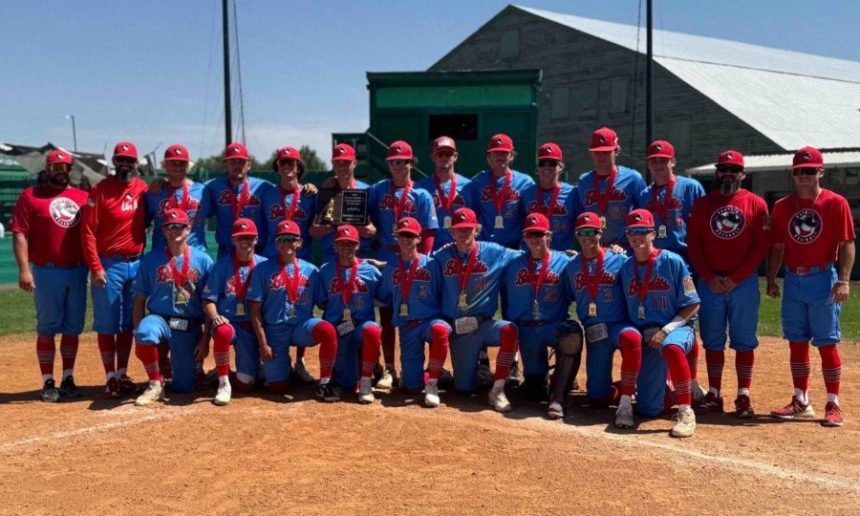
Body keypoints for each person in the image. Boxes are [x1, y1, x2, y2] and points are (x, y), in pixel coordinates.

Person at [767, 146, 855, 427]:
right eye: (799, 171)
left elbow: (847, 243)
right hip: (793, 279)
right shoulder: (782, 206)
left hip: (822, 278)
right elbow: (778, 246)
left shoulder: (835, 202)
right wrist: (771, 278)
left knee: (827, 343)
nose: (804, 176)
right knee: (796, 342)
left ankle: (833, 403)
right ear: (793, 175)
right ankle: (801, 400)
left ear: (820, 172)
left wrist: (843, 280)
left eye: (809, 171)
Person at [688, 150, 769, 418]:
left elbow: (760, 247)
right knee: (712, 340)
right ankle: (714, 392)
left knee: (744, 340)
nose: (728, 174)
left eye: (734, 169)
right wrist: (708, 276)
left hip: (742, 283)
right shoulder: (703, 205)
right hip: (709, 281)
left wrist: (736, 277)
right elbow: (695, 245)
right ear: (716, 172)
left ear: (743, 174)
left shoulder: (756, 203)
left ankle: (743, 395)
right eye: (724, 169)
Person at [11, 149, 88, 401]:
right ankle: (47, 381)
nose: (61, 173)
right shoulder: (31, 197)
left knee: (72, 329)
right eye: (56, 168)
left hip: (77, 270)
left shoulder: (81, 197)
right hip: (47, 270)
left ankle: (67, 377)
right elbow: (19, 233)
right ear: (47, 170)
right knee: (47, 328)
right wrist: (24, 269)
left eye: (65, 168)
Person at [619, 209, 701, 437]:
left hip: (675, 328)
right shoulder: (626, 268)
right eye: (632, 231)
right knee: (648, 409)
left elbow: (693, 304)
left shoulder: (673, 261)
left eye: (642, 231)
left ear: (653, 233)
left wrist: (666, 330)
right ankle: (672, 389)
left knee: (672, 347)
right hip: (646, 337)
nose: (637, 236)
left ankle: (686, 411)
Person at [433, 207, 521, 412]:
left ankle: (498, 389)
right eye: (459, 229)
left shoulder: (494, 251)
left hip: (484, 324)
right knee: (464, 388)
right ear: (452, 232)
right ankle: (473, 372)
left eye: (468, 229)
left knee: (509, 330)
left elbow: (528, 254)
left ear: (477, 229)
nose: (464, 234)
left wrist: (561, 256)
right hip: (458, 330)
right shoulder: (441, 255)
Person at [80, 141, 149, 398]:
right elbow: (87, 232)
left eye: (129, 160)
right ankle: (110, 377)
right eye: (120, 159)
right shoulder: (100, 190)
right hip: (109, 264)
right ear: (114, 161)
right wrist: (96, 267)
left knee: (129, 324)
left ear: (136, 163)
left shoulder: (142, 189)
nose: (124, 164)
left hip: (136, 262)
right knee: (108, 323)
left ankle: (122, 373)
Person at [369, 140, 438, 390]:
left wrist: (423, 261)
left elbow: (429, 232)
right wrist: (331, 184)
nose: (399, 166)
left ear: (412, 163)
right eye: (394, 162)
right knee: (387, 315)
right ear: (388, 164)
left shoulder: (421, 194)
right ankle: (389, 368)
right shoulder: (378, 189)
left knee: (421, 314)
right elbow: (353, 201)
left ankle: (432, 369)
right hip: (386, 258)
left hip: (412, 259)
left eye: (404, 161)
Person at [245, 220, 340, 400]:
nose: (287, 244)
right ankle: (282, 366)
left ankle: (325, 383)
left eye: (291, 239)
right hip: (275, 330)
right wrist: (263, 344)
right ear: (276, 244)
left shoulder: (311, 270)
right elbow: (255, 310)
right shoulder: (262, 269)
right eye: (282, 240)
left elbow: (324, 304)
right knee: (277, 388)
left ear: (300, 243)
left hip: (301, 327)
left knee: (326, 329)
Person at [562, 212, 640, 425]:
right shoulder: (571, 267)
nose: (587, 237)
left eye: (592, 232)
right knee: (597, 397)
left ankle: (625, 402)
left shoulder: (620, 260)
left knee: (632, 339)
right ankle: (623, 386)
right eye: (582, 232)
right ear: (576, 235)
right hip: (595, 331)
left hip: (619, 325)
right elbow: (566, 297)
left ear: (601, 233)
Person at [132, 209, 214, 405]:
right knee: (145, 332)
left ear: (188, 229)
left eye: (179, 226)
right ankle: (155, 383)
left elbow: (209, 303)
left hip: (186, 323)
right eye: (170, 226)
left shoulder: (203, 260)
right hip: (159, 317)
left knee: (184, 387)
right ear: (163, 230)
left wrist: (205, 339)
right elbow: (139, 300)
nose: (174, 230)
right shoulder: (151, 259)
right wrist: (137, 334)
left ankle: (187, 368)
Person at [376, 217, 451, 407]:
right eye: (402, 235)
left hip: (429, 321)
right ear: (396, 238)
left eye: (410, 236)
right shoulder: (391, 267)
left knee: (440, 330)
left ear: (419, 238)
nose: (406, 239)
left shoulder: (431, 265)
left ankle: (433, 382)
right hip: (406, 326)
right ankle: (426, 375)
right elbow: (384, 296)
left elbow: (443, 293)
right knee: (412, 387)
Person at [500, 212, 572, 404]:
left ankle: (561, 382)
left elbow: (590, 264)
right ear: (524, 237)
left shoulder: (565, 261)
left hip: (553, 326)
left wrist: (612, 249)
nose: (534, 239)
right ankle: (540, 378)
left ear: (548, 236)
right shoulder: (512, 262)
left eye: (539, 234)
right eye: (530, 234)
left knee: (572, 335)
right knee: (534, 392)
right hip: (527, 330)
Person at [261, 146, 319, 384]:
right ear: (277, 167)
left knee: (301, 307)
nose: (287, 167)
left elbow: (318, 224)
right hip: (269, 256)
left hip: (301, 258)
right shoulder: (266, 193)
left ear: (299, 167)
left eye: (292, 163)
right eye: (283, 163)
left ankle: (300, 361)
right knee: (270, 309)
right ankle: (267, 358)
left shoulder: (309, 195)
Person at [202, 218, 267, 405]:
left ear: (256, 239)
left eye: (248, 237)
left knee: (247, 384)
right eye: (240, 238)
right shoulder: (222, 266)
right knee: (222, 331)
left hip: (252, 327)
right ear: (233, 240)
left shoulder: (264, 266)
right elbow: (208, 300)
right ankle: (223, 382)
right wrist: (215, 317)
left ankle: (234, 371)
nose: (244, 241)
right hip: (229, 322)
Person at [317, 225, 383, 400]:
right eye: (342, 243)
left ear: (358, 245)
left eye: (350, 243)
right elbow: (322, 302)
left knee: (373, 330)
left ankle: (366, 382)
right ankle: (341, 376)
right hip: (338, 330)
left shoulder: (371, 271)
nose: (346, 247)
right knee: (347, 384)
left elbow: (384, 298)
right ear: (335, 246)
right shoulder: (325, 270)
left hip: (361, 326)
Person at [576, 127, 646, 247]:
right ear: (592, 153)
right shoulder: (583, 181)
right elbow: (578, 218)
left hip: (625, 248)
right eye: (597, 152)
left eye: (606, 152)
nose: (601, 157)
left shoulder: (633, 178)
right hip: (593, 248)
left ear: (617, 150)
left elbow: (645, 216)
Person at [462, 133, 534, 248]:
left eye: (504, 153)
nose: (500, 156)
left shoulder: (525, 182)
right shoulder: (478, 181)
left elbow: (530, 216)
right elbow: (472, 213)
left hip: (513, 246)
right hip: (484, 245)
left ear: (512, 155)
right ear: (489, 157)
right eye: (496, 152)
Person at [638, 140, 705, 262]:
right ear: (648, 165)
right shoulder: (645, 195)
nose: (658, 166)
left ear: (673, 162)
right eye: (654, 161)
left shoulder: (691, 187)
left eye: (663, 161)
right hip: (655, 260)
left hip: (686, 259)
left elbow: (705, 227)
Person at [204, 142, 275, 258]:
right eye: (232, 162)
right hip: (226, 253)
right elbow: (191, 188)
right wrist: (163, 183)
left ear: (248, 165)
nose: (237, 166)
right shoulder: (213, 186)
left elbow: (287, 191)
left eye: (241, 162)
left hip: (256, 253)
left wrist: (307, 188)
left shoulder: (264, 187)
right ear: (225, 165)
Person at [310, 143, 376, 262]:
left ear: (355, 163)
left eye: (346, 162)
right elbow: (313, 231)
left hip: (359, 258)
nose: (341, 167)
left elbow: (375, 230)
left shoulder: (367, 191)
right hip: (331, 258)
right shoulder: (325, 193)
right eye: (337, 163)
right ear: (333, 164)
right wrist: (324, 228)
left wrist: (366, 229)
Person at [146, 144, 208, 251]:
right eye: (172, 163)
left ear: (188, 167)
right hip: (162, 256)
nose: (177, 166)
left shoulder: (203, 192)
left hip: (194, 255)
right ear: (164, 166)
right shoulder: (154, 193)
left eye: (181, 163)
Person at [520, 143, 580, 251]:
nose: (546, 167)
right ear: (537, 167)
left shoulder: (573, 194)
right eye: (542, 163)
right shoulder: (526, 194)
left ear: (560, 166)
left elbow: (581, 226)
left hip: (561, 257)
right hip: (531, 256)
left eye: (552, 163)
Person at [415, 136, 471, 250]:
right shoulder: (421, 187)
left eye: (448, 154)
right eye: (440, 154)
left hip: (460, 248)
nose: (444, 157)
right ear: (433, 157)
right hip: (431, 250)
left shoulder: (468, 186)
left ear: (455, 157)